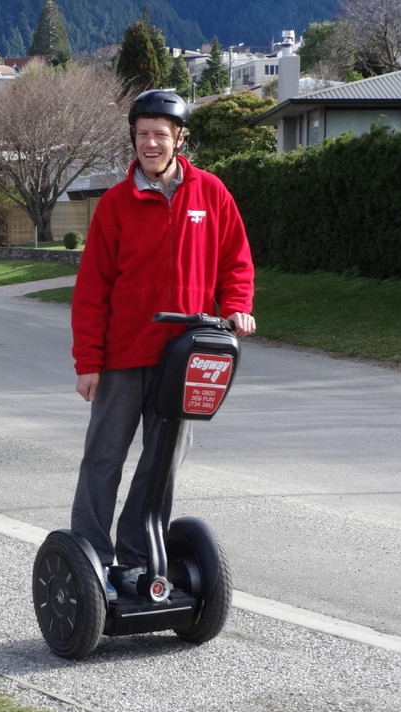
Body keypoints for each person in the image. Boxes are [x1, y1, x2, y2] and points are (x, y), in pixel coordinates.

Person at [69, 89, 257, 601]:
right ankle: (89, 562)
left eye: (160, 134)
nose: (150, 143)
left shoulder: (211, 193)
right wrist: (88, 362)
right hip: (122, 356)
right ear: (133, 138)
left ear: (179, 138)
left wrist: (237, 305)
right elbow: (91, 292)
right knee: (104, 458)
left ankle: (134, 560)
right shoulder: (114, 204)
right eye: (142, 134)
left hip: (187, 356)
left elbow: (235, 261)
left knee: (163, 461)